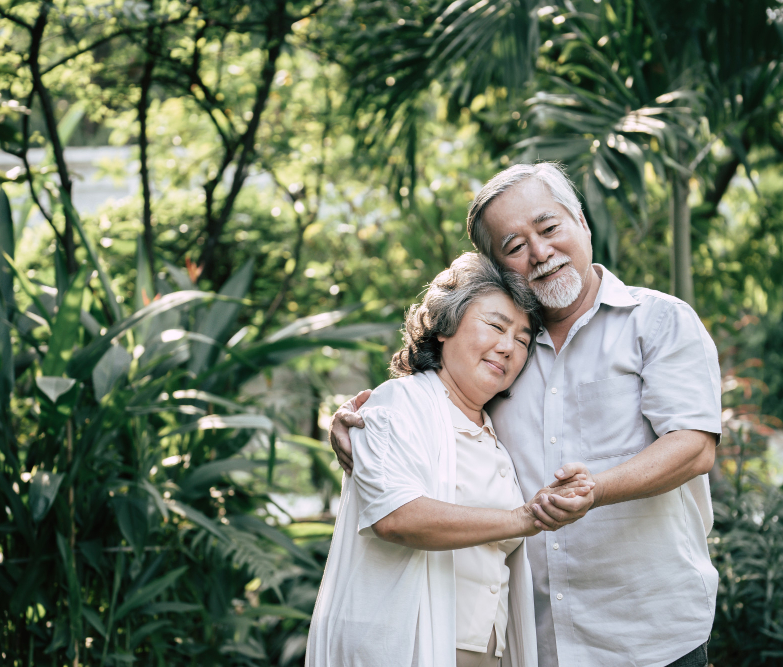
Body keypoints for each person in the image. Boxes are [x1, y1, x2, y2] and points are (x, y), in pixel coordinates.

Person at [331, 163, 722, 667]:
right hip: (537, 643)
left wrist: (596, 489)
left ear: (581, 221)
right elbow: (429, 410)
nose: (539, 252)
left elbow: (694, 446)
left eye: (549, 227)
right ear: (496, 266)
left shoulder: (658, 320)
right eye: (514, 246)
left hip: (650, 636)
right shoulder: (499, 352)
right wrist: (358, 424)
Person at [307, 252, 594, 667]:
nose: (507, 347)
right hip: (408, 648)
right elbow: (396, 517)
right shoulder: (398, 403)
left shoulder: (497, 431)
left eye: (522, 339)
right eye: (495, 325)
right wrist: (525, 518)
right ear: (444, 326)